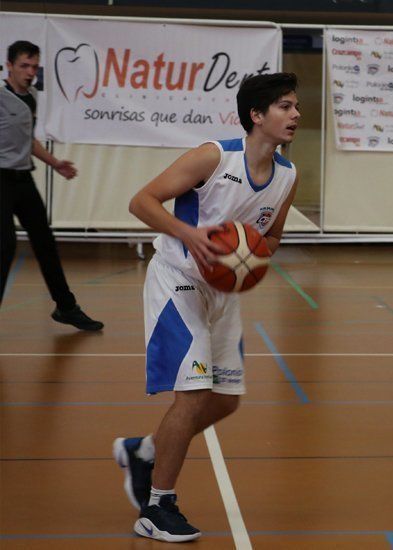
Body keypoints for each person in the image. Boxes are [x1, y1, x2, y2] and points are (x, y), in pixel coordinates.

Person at [113, 72, 301, 542]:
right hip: (178, 281)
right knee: (193, 394)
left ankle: (145, 450)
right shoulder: (214, 156)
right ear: (256, 116)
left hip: (223, 292)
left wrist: (252, 256)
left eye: (295, 106)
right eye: (284, 106)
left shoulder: (288, 175)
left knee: (226, 400)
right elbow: (142, 201)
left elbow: (273, 236)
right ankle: (157, 507)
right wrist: (190, 234)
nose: (296, 114)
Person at [0, 40, 103, 330]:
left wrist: (55, 163)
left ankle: (66, 307)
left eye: (34, 66)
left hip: (23, 178)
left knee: (45, 243)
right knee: (5, 246)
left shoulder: (31, 95)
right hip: (1, 179)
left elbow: (28, 140)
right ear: (9, 66)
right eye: (23, 65)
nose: (30, 71)